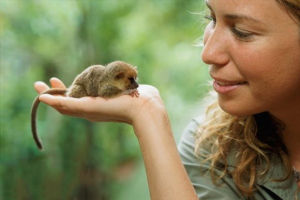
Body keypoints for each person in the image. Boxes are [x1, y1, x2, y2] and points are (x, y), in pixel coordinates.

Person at [34, 0, 300, 199]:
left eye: (241, 31)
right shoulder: (212, 147)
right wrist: (147, 115)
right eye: (211, 18)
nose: (207, 53)